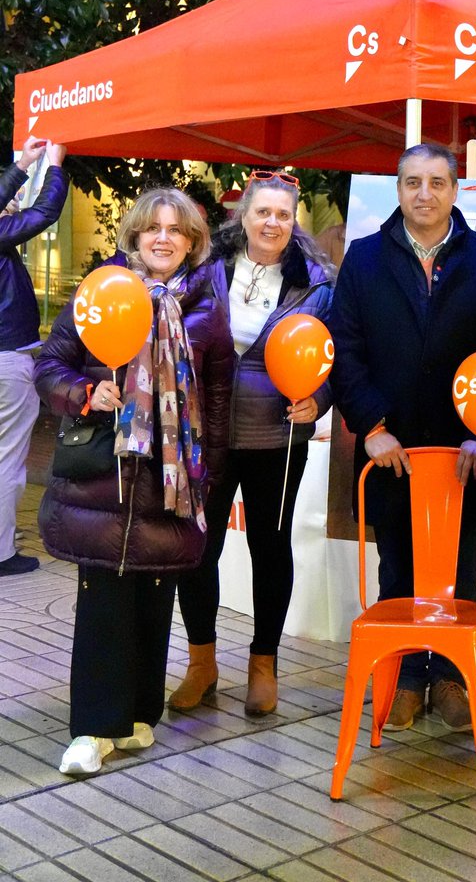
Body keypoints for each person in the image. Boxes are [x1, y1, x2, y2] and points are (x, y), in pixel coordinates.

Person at [34, 188, 232, 776]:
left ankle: (141, 713)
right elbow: (50, 366)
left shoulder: (205, 309)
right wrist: (85, 393)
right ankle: (94, 729)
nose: (163, 238)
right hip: (107, 473)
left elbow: (217, 403)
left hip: (173, 480)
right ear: (135, 236)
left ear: (193, 241)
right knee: (103, 601)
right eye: (152, 228)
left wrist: (209, 480)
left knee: (154, 594)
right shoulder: (101, 294)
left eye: (176, 229)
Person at [330, 144, 476, 731]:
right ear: (398, 189)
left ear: (455, 191)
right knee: (399, 568)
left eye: (437, 182)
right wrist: (373, 428)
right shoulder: (363, 260)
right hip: (396, 451)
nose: (425, 194)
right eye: (413, 182)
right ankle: (406, 677)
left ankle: (451, 679)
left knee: (462, 568)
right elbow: (346, 350)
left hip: (467, 452)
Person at [171, 169, 333, 717]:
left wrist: (321, 398)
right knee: (198, 550)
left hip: (279, 439)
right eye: (262, 211)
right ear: (243, 216)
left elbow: (336, 355)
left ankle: (264, 665)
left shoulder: (316, 284)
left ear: (294, 223)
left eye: (283, 214)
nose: (272, 222)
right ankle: (202, 663)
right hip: (208, 437)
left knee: (271, 550)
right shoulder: (204, 270)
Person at [0, 136, 68, 577]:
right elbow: (44, 213)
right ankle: (1, 553)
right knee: (7, 460)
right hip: (7, 359)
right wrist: (53, 166)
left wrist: (24, 163)